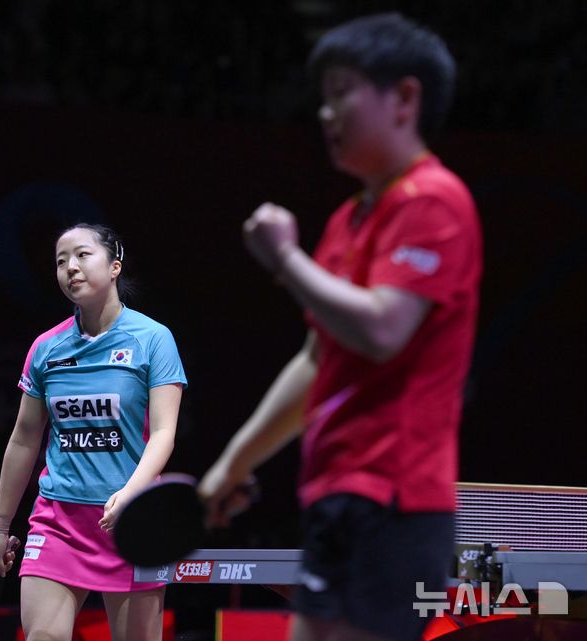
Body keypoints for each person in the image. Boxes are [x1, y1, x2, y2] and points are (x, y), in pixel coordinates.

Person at [199, 12, 482, 641]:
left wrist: (285, 260)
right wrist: (232, 464)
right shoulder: (346, 222)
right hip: (334, 489)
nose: (325, 114)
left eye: (342, 93)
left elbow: (384, 330)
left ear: (404, 99)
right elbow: (315, 361)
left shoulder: (435, 201)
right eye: (323, 98)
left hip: (396, 499)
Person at [0, 223, 187, 641]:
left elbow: (164, 432)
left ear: (115, 266)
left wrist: (131, 492)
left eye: (82, 255)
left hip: (132, 522)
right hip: (59, 522)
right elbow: (24, 439)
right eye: (61, 262)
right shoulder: (46, 348)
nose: (70, 268)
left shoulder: (153, 339)